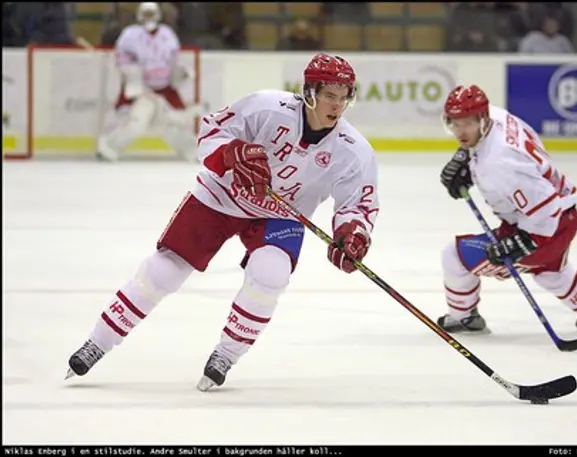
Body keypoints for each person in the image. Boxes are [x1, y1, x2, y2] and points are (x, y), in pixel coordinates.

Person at [66, 53, 381, 391]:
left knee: (270, 274)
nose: (337, 104)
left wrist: (352, 234)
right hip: (220, 197)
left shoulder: (354, 150)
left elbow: (358, 204)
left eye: (344, 95)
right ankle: (97, 342)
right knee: (164, 270)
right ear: (309, 92)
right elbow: (210, 131)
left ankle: (226, 355)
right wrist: (232, 153)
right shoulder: (266, 107)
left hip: (279, 213)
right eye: (329, 94)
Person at [437, 85, 577, 334]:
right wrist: (465, 156)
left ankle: (463, 317)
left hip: (545, 224)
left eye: (467, 123)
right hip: (564, 213)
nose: (460, 131)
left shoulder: (500, 164)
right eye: (455, 124)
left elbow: (544, 210)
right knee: (549, 270)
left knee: (455, 256)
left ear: (482, 119)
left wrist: (522, 242)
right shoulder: (495, 116)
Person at [98, 2, 201, 162]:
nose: (149, 18)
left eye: (151, 14)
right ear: (139, 15)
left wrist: (180, 74)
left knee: (171, 124)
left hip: (165, 88)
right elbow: (122, 60)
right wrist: (132, 73)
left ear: (158, 15)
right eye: (146, 14)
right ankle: (108, 146)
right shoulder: (130, 35)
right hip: (142, 89)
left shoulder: (167, 34)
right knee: (136, 123)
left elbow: (173, 61)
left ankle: (191, 150)